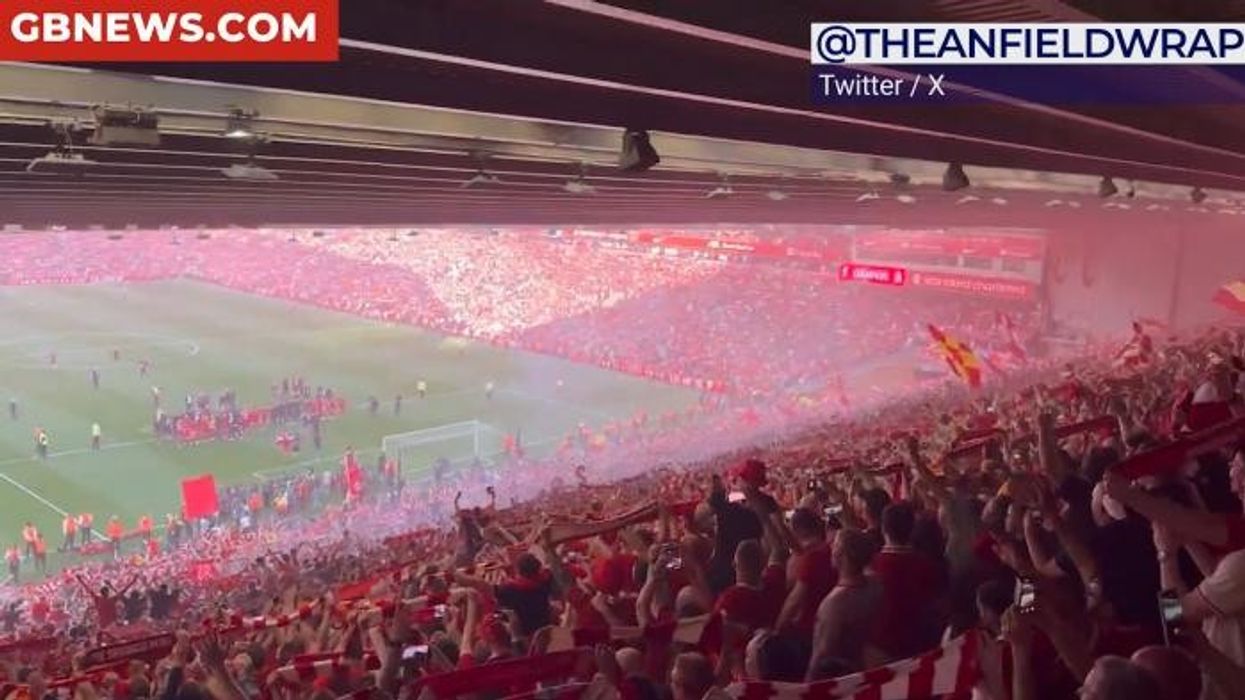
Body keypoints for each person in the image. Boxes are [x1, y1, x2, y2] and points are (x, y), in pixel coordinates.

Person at [808, 528, 884, 679]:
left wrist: (808, 682)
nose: (831, 548)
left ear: (841, 555)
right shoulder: (875, 584)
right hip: (864, 667)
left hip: (842, 676)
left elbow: (822, 653)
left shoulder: (834, 603)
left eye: (834, 545)